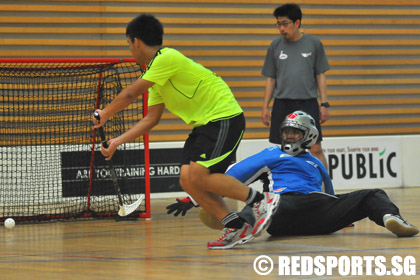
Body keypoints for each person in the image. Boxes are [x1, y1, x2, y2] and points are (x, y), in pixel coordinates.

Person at [92, 14, 280, 250]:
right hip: (203, 125)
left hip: (223, 117)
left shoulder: (166, 57)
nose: (130, 50)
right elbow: (151, 119)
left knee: (199, 175)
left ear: (135, 41)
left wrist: (106, 113)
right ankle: (235, 225)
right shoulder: (158, 77)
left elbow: (130, 94)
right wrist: (117, 141)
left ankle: (262, 200)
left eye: (128, 44)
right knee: (188, 179)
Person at [169, 111, 419, 239]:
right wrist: (195, 199)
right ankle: (230, 219)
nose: (288, 137)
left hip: (313, 211)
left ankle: (391, 219)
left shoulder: (316, 162)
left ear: (309, 135)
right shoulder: (271, 154)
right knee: (260, 204)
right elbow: (233, 176)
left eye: (295, 133)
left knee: (372, 193)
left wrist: (344, 216)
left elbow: (329, 194)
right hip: (281, 207)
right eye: (286, 132)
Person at [261, 3, 330, 169]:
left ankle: (326, 189)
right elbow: (271, 79)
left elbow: (320, 75)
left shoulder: (314, 44)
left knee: (315, 147)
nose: (281, 28)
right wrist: (265, 107)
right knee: (285, 150)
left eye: (285, 24)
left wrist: (324, 103)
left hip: (307, 103)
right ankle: (289, 189)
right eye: (278, 24)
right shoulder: (275, 46)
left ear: (297, 23)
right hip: (282, 104)